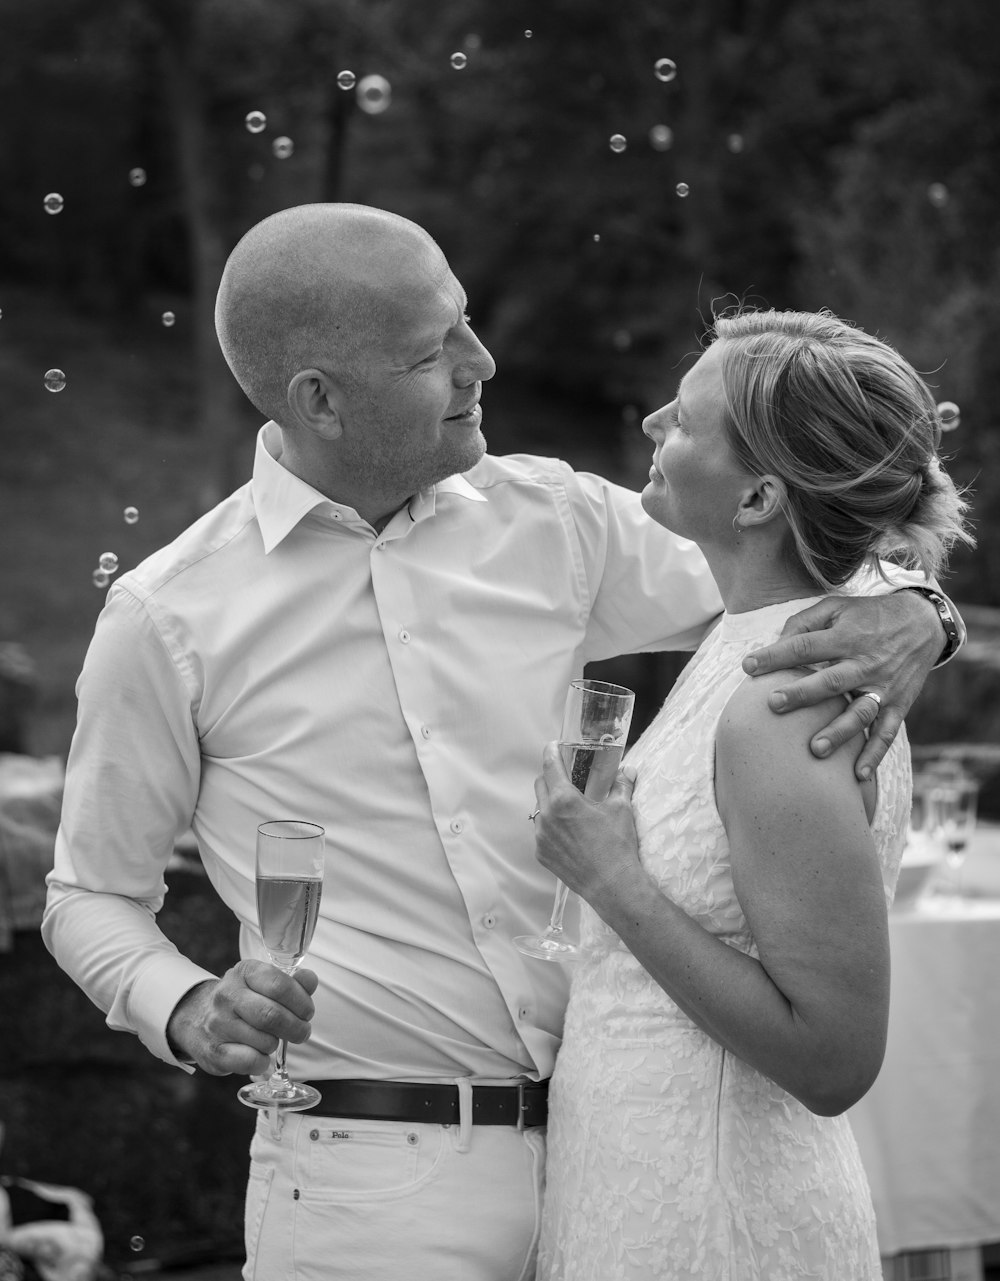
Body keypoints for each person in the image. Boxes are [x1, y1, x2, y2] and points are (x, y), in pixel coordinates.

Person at [42, 205, 960, 1281]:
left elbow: (794, 556)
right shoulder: (170, 617)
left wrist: (920, 613)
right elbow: (87, 894)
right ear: (318, 399)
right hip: (365, 1189)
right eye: (433, 352)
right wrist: (188, 1004)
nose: (483, 363)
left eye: (465, 322)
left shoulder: (560, 522)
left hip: (612, 1162)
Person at [532, 308, 973, 1280]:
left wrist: (613, 880)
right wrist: (927, 609)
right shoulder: (766, 638)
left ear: (757, 499)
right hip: (639, 1180)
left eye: (685, 421)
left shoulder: (785, 697)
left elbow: (833, 1058)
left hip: (712, 1212)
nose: (651, 423)